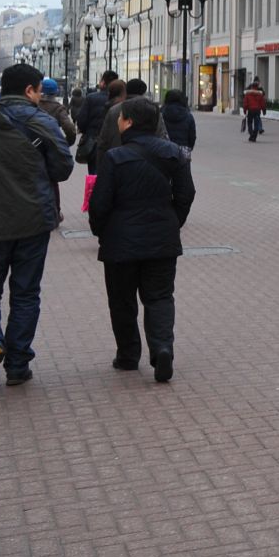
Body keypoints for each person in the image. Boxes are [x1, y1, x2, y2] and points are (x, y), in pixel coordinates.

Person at [0, 62, 74, 389]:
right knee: (25, 293)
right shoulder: (41, 122)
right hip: (32, 219)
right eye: (38, 91)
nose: (39, 97)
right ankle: (18, 365)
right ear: (29, 90)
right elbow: (63, 167)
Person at [89, 95, 195, 382]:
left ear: (129, 122)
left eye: (121, 117)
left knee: (122, 300)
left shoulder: (114, 157)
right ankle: (162, 348)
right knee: (160, 296)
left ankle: (128, 355)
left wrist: (101, 231)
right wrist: (173, 221)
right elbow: (186, 194)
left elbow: (100, 202)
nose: (119, 121)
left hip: (120, 242)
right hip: (162, 239)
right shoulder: (174, 153)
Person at [74, 69, 119, 166]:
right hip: (114, 144)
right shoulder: (119, 101)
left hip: (93, 142)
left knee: (94, 174)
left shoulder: (91, 98)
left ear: (103, 82)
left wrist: (86, 131)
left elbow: (82, 120)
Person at [37, 77, 79, 147]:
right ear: (56, 92)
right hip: (51, 143)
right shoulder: (58, 108)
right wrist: (67, 142)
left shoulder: (33, 104)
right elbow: (69, 128)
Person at [161, 88, 197, 154]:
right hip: (183, 151)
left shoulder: (161, 115)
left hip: (164, 150)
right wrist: (188, 148)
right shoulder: (188, 116)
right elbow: (192, 136)